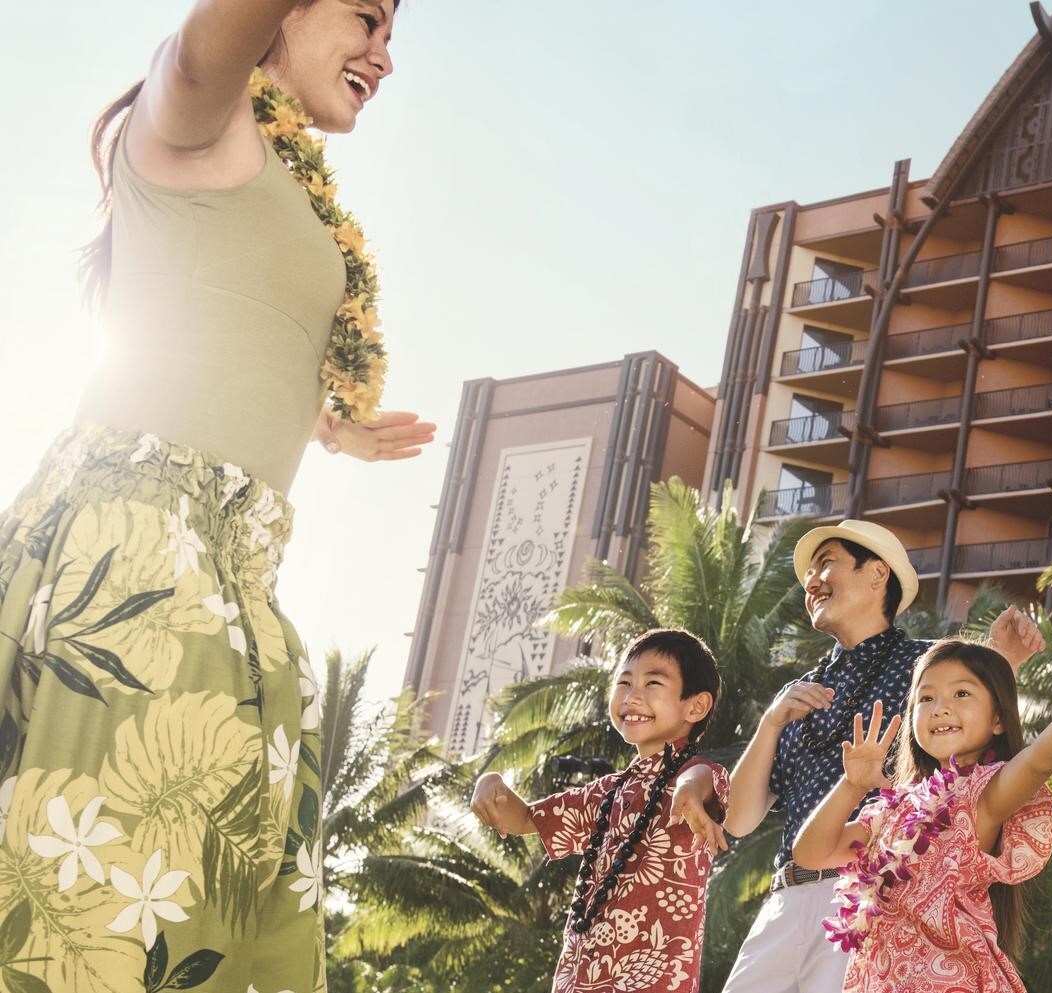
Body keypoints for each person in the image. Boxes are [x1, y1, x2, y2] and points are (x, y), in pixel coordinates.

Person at [0, 3, 431, 990]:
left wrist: (330, 425)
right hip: (136, 574)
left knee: (190, 932)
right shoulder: (197, 112)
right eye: (366, 17)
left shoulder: (286, 175)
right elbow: (209, 50)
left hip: (233, 588)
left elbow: (228, 330)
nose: (383, 55)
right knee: (97, 916)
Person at [701, 519, 1043, 993]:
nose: (811, 583)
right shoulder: (797, 694)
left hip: (867, 901)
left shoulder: (929, 669)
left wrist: (1003, 663)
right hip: (785, 898)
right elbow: (737, 820)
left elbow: (976, 731)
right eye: (808, 575)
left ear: (878, 573)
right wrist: (771, 723)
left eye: (826, 564)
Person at [791, 624, 1052, 993]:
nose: (940, 708)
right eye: (926, 698)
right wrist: (852, 786)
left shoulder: (980, 795)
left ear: (998, 719)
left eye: (961, 694)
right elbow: (811, 853)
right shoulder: (892, 808)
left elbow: (1040, 761)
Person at [471, 629, 730, 993]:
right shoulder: (607, 792)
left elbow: (705, 779)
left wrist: (689, 790)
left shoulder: (699, 775)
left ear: (696, 706)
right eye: (624, 682)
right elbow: (525, 819)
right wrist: (491, 781)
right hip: (580, 979)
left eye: (652, 683)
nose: (632, 695)